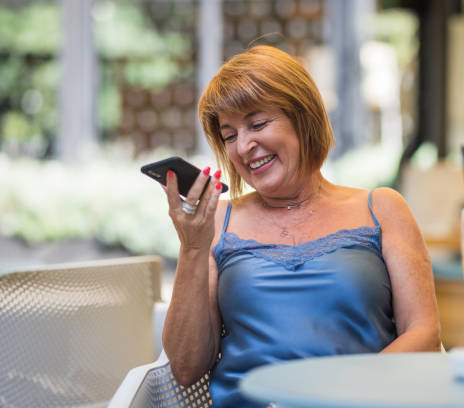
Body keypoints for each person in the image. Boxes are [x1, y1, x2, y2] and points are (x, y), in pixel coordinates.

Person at [161, 45, 441, 408]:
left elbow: (425, 334)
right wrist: (193, 247)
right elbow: (185, 368)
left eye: (258, 124)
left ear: (303, 117)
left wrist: (341, 396)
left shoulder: (382, 207)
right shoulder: (217, 220)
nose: (244, 146)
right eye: (229, 135)